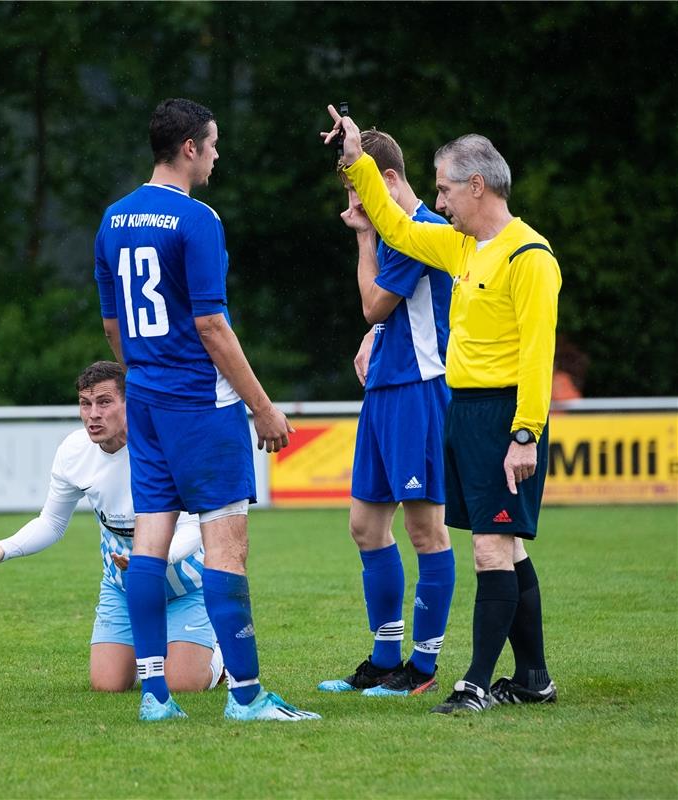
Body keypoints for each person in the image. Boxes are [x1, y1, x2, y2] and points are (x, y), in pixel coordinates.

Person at [323, 107, 561, 713]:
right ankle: (533, 677)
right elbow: (399, 232)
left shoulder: (528, 256)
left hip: (503, 417)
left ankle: (473, 683)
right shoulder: (462, 247)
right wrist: (356, 160)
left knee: (489, 549)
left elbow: (538, 356)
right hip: (464, 412)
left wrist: (527, 432)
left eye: (446, 188)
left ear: (477, 185)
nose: (441, 200)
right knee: (510, 548)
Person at [94, 98, 319, 722]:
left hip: (148, 403)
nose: (218, 155)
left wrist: (144, 373)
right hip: (202, 405)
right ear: (189, 147)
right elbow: (213, 324)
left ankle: (154, 698)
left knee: (150, 540)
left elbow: (113, 325)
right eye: (213, 144)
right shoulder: (197, 219)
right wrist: (264, 408)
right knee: (226, 548)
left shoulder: (113, 220)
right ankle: (246, 697)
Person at [0, 361, 223, 694]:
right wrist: (3, 547)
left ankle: (217, 654)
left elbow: (197, 524)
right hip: (122, 587)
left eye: (105, 402)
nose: (93, 414)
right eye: (86, 403)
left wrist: (155, 558)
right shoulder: (73, 451)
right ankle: (159, 650)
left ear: (131, 403)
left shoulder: (166, 447)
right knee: (107, 685)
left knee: (183, 686)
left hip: (186, 585)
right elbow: (52, 522)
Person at [317, 130, 456, 698]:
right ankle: (383, 657)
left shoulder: (421, 231)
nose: (354, 207)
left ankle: (421, 669)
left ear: (389, 181)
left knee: (426, 530)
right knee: (365, 526)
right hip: (384, 390)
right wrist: (374, 335)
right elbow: (384, 315)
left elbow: (375, 299)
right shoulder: (398, 230)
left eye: (362, 193)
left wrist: (365, 235)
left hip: (418, 392)